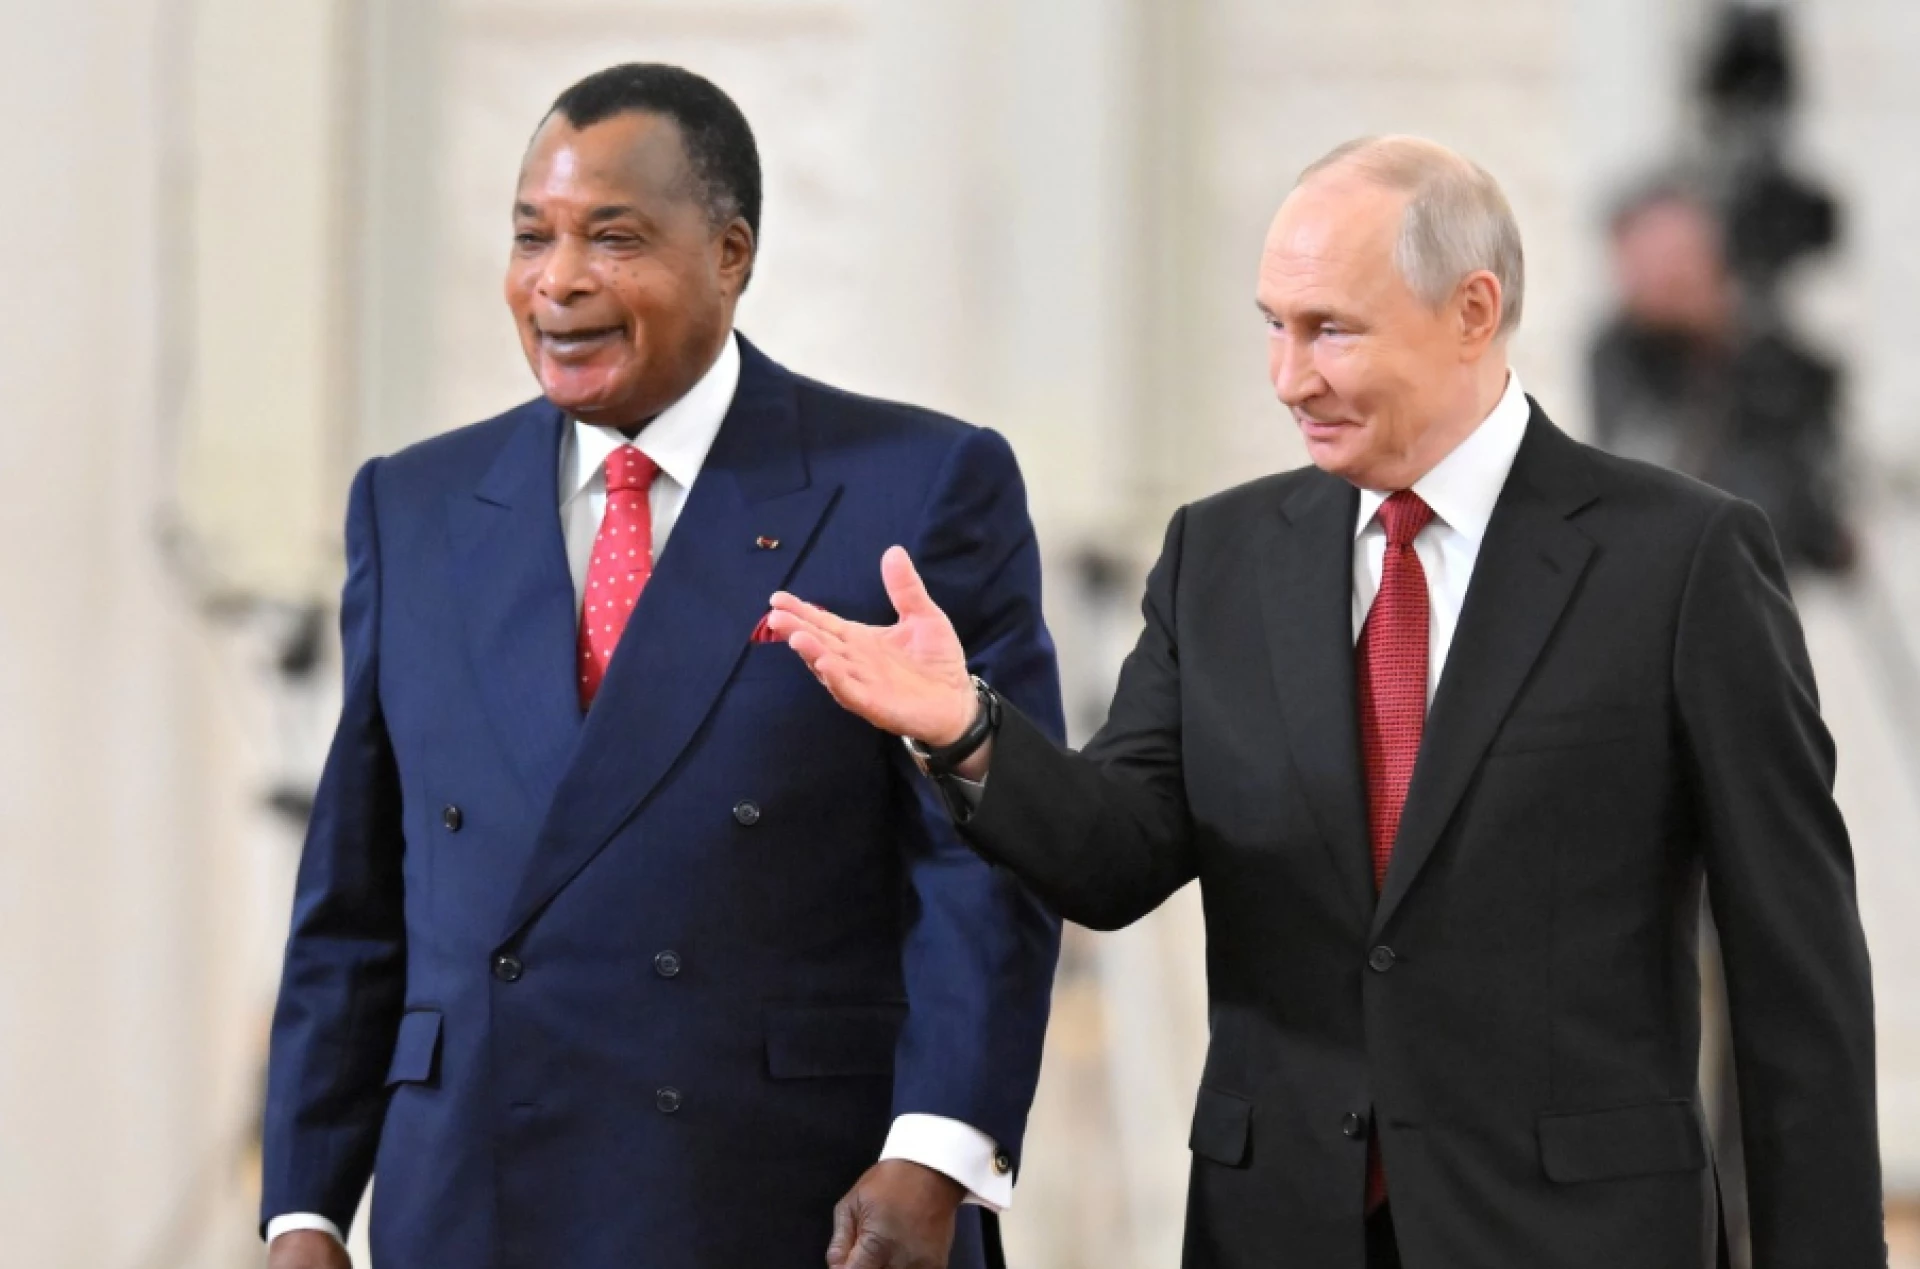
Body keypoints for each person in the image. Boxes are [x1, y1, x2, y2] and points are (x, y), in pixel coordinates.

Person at [771, 136, 1884, 1269]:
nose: (1288, 377)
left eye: (1330, 330)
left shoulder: (1681, 560)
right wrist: (966, 728)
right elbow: (1115, 856)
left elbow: (1797, 978)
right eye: (1274, 325)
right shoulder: (1218, 555)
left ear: (1471, 312)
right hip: (1279, 1227)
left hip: (1575, 1235)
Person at [260, 63, 1062, 1269]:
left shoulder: (916, 486)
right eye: (531, 236)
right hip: (474, 1198)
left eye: (612, 238)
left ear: (731, 254)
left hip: (796, 1196)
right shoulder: (411, 506)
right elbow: (356, 896)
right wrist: (307, 1210)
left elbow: (986, 861)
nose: (558, 280)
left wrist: (937, 1149)